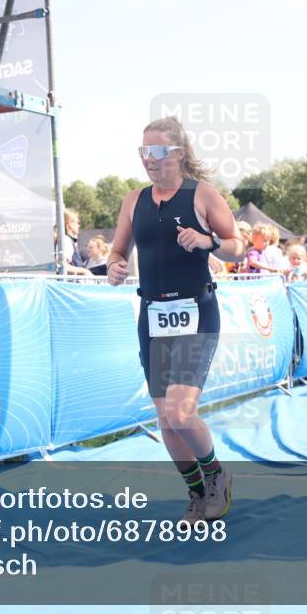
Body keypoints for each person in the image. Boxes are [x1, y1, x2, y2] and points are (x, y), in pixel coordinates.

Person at [107, 117, 242, 525]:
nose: (149, 159)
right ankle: (198, 494)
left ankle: (218, 479)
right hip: (152, 316)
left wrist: (208, 242)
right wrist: (114, 267)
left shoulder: (203, 194)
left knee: (182, 413)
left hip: (196, 311)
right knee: (165, 419)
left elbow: (236, 246)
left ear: (178, 154)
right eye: (144, 152)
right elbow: (117, 252)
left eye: (158, 151)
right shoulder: (134, 200)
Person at [60, 208, 91, 276]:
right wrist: (85, 271)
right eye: (77, 222)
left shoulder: (66, 240)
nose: (79, 225)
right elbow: (63, 266)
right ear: (69, 224)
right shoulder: (66, 240)